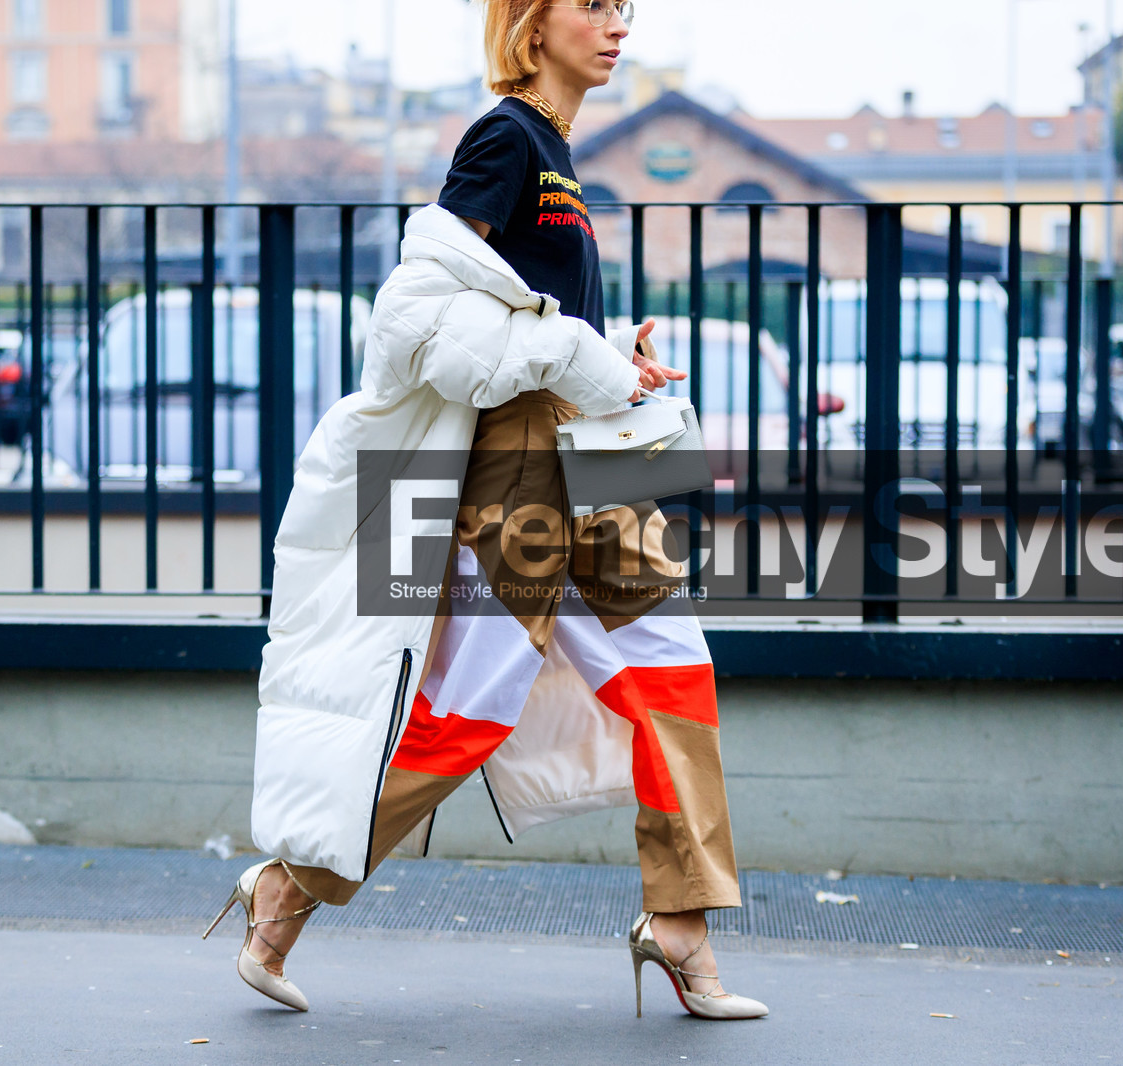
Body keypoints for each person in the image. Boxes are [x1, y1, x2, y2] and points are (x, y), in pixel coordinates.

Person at [204, 0, 768, 1022]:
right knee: (464, 711)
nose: (616, 27)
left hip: (591, 455)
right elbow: (419, 320)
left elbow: (527, 313)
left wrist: (614, 359)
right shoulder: (502, 139)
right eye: (593, 7)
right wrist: (576, 358)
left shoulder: (555, 148)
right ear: (531, 20)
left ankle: (680, 924)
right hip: (519, 465)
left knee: (674, 676)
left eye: (621, 9)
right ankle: (290, 881)